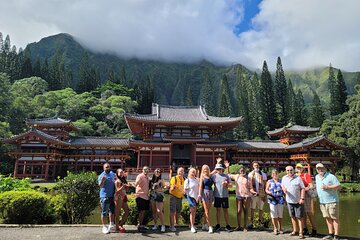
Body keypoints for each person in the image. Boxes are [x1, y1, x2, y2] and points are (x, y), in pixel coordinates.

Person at [225, 162, 256, 232]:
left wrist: (253, 192)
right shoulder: (237, 176)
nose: (242, 171)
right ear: (239, 171)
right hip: (239, 196)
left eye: (243, 170)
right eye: (241, 170)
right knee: (239, 211)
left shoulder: (249, 178)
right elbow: (228, 175)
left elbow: (251, 188)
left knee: (245, 211)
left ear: (245, 170)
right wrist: (228, 167)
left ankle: (245, 226)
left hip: (247, 196)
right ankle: (238, 226)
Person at [315, 163, 341, 240]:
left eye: (321, 168)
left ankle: (336, 235)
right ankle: (330, 234)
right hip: (322, 202)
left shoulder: (331, 176)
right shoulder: (317, 177)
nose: (320, 169)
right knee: (327, 218)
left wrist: (328, 187)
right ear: (316, 170)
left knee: (335, 218)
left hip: (332, 201)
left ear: (324, 168)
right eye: (318, 168)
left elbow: (339, 186)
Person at [282, 165, 306, 239]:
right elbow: (282, 185)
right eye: (288, 170)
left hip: (298, 201)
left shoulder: (298, 178)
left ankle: (301, 232)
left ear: (293, 170)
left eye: (291, 170)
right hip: (289, 200)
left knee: (299, 217)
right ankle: (295, 230)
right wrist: (284, 189)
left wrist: (302, 198)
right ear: (286, 171)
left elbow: (303, 188)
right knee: (292, 216)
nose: (289, 171)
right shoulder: (284, 178)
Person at [295, 163, 317, 236]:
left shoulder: (305, 175)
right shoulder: (295, 176)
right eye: (297, 168)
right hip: (298, 196)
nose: (299, 169)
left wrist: (304, 189)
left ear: (302, 168)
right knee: (302, 213)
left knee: (309, 212)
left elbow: (311, 185)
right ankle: (305, 229)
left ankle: (314, 229)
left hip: (306, 195)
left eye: (300, 168)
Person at [211, 162, 232, 232]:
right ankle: (218, 224)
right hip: (217, 196)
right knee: (218, 211)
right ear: (216, 169)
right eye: (218, 169)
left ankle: (227, 225)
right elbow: (207, 176)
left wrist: (226, 184)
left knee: (225, 211)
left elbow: (231, 186)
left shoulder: (226, 176)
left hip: (225, 196)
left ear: (222, 169)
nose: (219, 170)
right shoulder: (214, 176)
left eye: (220, 169)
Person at [248, 162, 267, 229]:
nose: (256, 166)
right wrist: (253, 192)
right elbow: (249, 184)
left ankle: (260, 223)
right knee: (252, 208)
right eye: (255, 165)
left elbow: (265, 185)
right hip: (253, 194)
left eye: (257, 165)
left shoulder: (263, 174)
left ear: (259, 166)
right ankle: (251, 222)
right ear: (253, 166)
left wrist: (264, 194)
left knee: (260, 209)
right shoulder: (250, 174)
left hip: (261, 194)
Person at [98, 163, 116, 234]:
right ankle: (104, 226)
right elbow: (100, 186)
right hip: (104, 196)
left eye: (109, 167)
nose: (108, 168)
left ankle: (111, 225)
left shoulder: (112, 174)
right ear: (103, 168)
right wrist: (103, 180)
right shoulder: (101, 175)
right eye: (106, 167)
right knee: (104, 212)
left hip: (112, 196)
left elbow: (117, 176)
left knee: (112, 211)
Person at [265, 169, 285, 235]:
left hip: (280, 198)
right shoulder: (269, 181)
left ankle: (280, 228)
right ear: (272, 175)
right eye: (273, 174)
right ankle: (275, 228)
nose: (275, 175)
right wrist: (269, 192)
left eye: (276, 173)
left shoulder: (281, 181)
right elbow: (266, 189)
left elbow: (283, 188)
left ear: (278, 174)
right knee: (274, 215)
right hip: (272, 199)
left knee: (280, 214)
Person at [198, 164, 214, 233]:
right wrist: (199, 194)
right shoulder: (202, 176)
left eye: (206, 169)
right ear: (202, 170)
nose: (205, 170)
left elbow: (215, 171)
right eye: (204, 169)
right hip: (205, 193)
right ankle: (210, 226)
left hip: (211, 193)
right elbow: (200, 186)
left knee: (207, 211)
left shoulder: (210, 176)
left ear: (208, 169)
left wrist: (218, 163)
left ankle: (204, 224)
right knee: (206, 211)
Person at [149, 168, 166, 233]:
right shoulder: (151, 180)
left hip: (159, 195)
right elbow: (149, 188)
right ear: (154, 172)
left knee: (159, 211)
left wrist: (164, 187)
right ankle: (156, 224)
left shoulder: (161, 180)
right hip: (152, 195)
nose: (157, 173)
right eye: (156, 171)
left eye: (159, 172)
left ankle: (163, 225)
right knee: (154, 211)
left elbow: (164, 187)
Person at [169, 167, 185, 232]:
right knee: (172, 211)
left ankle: (176, 223)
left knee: (178, 211)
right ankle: (172, 226)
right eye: (179, 171)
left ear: (183, 172)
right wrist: (173, 187)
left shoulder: (184, 179)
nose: (180, 172)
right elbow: (171, 187)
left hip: (180, 197)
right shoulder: (174, 178)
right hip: (173, 196)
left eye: (182, 171)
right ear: (177, 172)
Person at [135, 166, 150, 232]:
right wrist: (136, 183)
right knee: (141, 211)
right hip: (140, 195)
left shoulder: (147, 177)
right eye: (145, 169)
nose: (146, 171)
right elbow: (136, 183)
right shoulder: (140, 176)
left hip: (146, 196)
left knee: (144, 211)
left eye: (147, 169)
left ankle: (142, 225)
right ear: (142, 170)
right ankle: (139, 225)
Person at [184, 167, 200, 233]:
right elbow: (185, 189)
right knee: (192, 210)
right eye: (191, 172)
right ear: (189, 173)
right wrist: (188, 188)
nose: (193, 173)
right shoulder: (187, 180)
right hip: (190, 196)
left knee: (194, 211)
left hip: (196, 197)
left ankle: (191, 224)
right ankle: (192, 226)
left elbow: (199, 187)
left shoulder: (197, 179)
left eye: (194, 172)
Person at [114, 168, 130, 233]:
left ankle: (121, 224)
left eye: (122, 172)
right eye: (120, 172)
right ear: (117, 173)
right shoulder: (117, 181)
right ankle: (117, 227)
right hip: (118, 197)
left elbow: (126, 190)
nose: (121, 173)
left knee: (127, 211)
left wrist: (128, 187)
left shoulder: (123, 180)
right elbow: (117, 190)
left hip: (123, 196)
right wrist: (122, 187)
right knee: (118, 213)